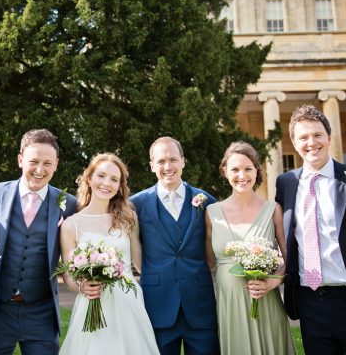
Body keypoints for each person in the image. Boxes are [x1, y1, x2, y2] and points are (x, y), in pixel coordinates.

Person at [275, 105, 346, 355]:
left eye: (317, 135)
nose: (311, 142)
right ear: (294, 142)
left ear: (328, 137)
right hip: (310, 301)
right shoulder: (286, 183)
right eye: (303, 137)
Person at [0, 129, 77, 355]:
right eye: (34, 162)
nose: (40, 170)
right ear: (20, 160)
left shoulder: (68, 203)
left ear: (56, 164)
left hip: (41, 311)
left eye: (47, 163)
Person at [59, 153, 160, 355]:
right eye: (101, 176)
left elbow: (139, 262)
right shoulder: (71, 224)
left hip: (128, 302)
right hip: (92, 301)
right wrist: (83, 287)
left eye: (114, 179)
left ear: (119, 186)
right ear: (89, 178)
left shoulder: (127, 217)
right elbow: (68, 274)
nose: (107, 183)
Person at [205, 142, 296, 355]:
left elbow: (288, 257)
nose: (241, 175)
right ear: (225, 171)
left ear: (257, 170)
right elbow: (209, 263)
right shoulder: (211, 213)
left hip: (265, 300)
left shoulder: (273, 210)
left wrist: (274, 281)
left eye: (248, 168)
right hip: (230, 303)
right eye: (235, 169)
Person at [130, 136, 218, 355]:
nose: (167, 166)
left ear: (183, 161)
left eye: (173, 159)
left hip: (199, 303)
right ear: (152, 166)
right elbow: (135, 249)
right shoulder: (136, 204)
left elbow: (212, 248)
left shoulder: (206, 201)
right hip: (157, 303)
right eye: (160, 162)